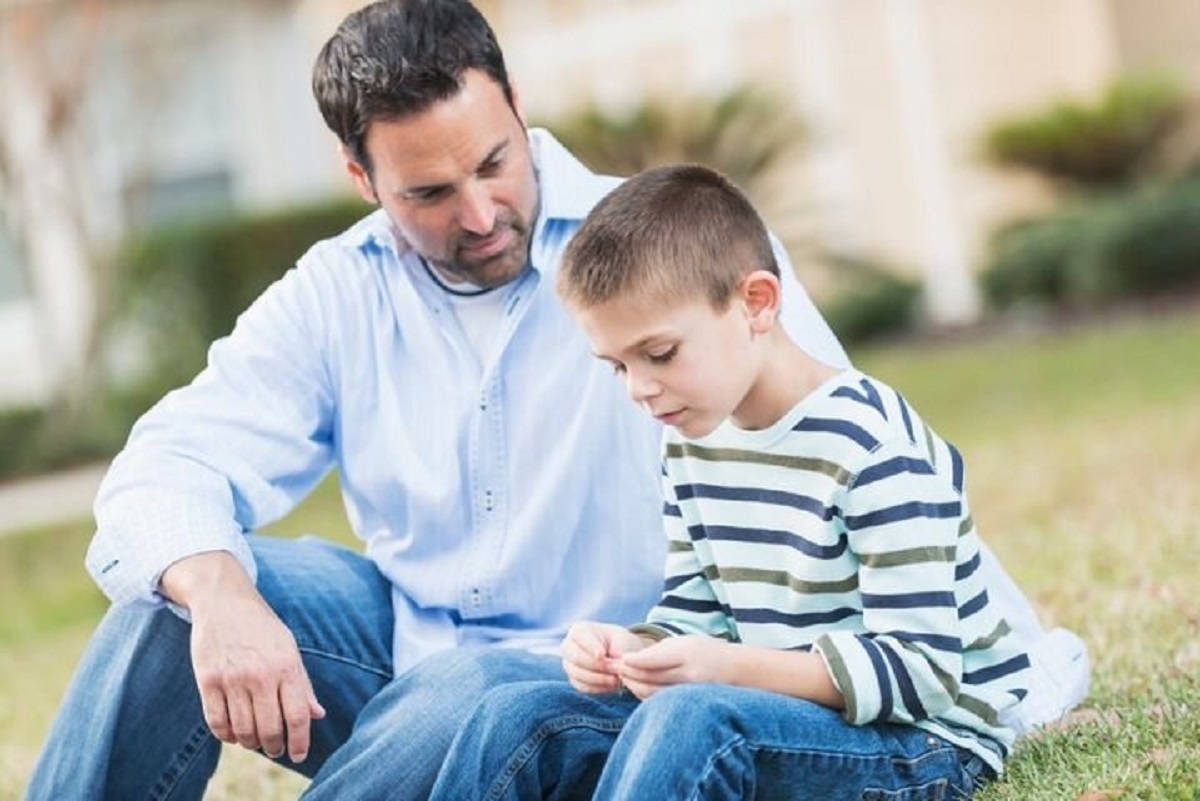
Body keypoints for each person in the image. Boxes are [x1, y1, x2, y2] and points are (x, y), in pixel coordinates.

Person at [26, 1, 1085, 799]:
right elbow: (161, 470)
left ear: (518, 107)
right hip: (411, 659)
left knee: (478, 693)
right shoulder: (336, 294)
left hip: (598, 689)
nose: (482, 212)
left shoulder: (669, 262)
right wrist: (219, 596)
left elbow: (835, 448)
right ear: (361, 178)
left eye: (494, 163)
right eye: (429, 194)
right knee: (167, 598)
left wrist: (1007, 673)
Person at [428, 163, 1032, 800]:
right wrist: (632, 647)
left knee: (694, 719)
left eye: (659, 355)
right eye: (617, 366)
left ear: (757, 304)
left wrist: (731, 671)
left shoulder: (869, 444)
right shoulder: (691, 439)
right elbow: (701, 607)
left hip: (922, 744)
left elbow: (922, 671)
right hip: (774, 715)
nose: (639, 388)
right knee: (518, 715)